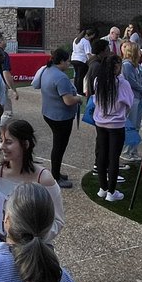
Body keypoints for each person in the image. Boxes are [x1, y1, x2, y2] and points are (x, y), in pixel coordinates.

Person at [0, 119, 64, 248]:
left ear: (25, 144)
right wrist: (0, 235)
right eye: (1, 141)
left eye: (9, 142)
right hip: (1, 244)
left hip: (34, 249)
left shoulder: (43, 178)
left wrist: (31, 241)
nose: (2, 146)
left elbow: (58, 221)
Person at [35, 48, 86, 188]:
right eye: (67, 60)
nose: (69, 63)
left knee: (58, 146)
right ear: (61, 61)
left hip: (49, 113)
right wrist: (79, 98)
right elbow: (68, 100)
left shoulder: (46, 70)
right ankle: (56, 177)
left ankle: (56, 172)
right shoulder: (61, 77)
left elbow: (36, 84)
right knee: (59, 147)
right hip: (61, 118)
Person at [91, 46, 134, 202]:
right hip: (116, 125)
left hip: (100, 123)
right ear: (117, 67)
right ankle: (112, 191)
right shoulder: (122, 83)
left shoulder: (98, 81)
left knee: (102, 154)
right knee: (113, 157)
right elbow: (129, 103)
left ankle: (102, 188)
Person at [0, 33, 20, 107]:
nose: (6, 42)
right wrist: (14, 90)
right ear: (1, 41)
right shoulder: (3, 54)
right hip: (0, 85)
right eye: (5, 40)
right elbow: (5, 72)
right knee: (7, 112)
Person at [69, 28, 95, 94]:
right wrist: (92, 60)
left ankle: (75, 90)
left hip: (74, 59)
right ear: (91, 35)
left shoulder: (76, 39)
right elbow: (88, 53)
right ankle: (80, 91)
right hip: (81, 60)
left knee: (77, 75)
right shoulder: (86, 41)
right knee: (81, 77)